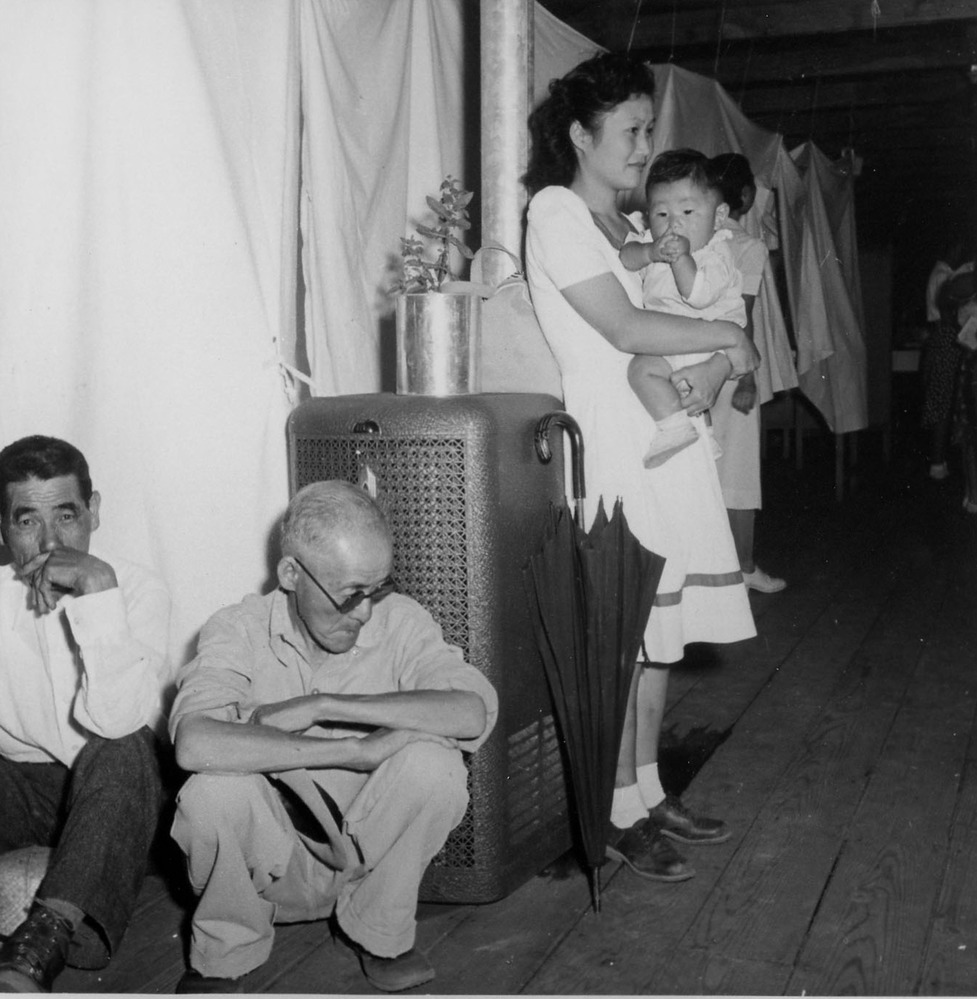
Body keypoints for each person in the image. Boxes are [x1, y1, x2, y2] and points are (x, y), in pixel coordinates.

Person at [525, 52, 758, 885]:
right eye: (629, 129)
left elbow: (689, 309)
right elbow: (624, 330)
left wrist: (719, 357)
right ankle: (616, 810)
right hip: (615, 444)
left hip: (664, 435)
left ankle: (651, 790)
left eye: (648, 127)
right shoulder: (555, 210)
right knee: (627, 640)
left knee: (657, 644)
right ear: (580, 136)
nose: (643, 144)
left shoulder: (627, 228)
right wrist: (731, 343)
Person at [168, 480, 498, 994]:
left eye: (378, 588)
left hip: (366, 856)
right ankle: (228, 949)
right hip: (270, 865)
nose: (365, 612)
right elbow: (194, 743)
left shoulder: (402, 622)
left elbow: (469, 711)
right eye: (349, 595)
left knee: (437, 767)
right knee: (211, 793)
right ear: (291, 573)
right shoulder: (237, 629)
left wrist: (324, 706)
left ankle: (381, 930)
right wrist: (353, 749)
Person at [0, 435, 171, 992]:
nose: (52, 542)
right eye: (28, 522)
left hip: (114, 798)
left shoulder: (136, 587)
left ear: (94, 512)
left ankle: (40, 947)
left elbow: (119, 721)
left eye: (67, 516)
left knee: (124, 745)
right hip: (25, 793)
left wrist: (97, 594)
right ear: (3, 528)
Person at [619, 148, 745, 467]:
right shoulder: (655, 243)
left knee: (645, 370)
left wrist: (681, 259)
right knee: (642, 371)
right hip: (671, 342)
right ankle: (690, 432)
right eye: (662, 215)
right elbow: (626, 259)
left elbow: (698, 295)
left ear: (718, 216)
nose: (674, 225)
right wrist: (649, 252)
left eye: (688, 213)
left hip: (703, 341)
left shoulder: (717, 254)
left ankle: (685, 431)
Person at [708, 152, 787, 593]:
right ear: (745, 196)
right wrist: (751, 375)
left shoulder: (697, 241)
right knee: (738, 471)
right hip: (731, 367)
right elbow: (745, 316)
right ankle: (743, 566)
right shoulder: (747, 246)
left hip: (689, 361)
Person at [922, 240, 973, 480]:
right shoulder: (942, 274)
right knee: (942, 401)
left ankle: (942, 462)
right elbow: (948, 311)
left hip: (950, 340)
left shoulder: (953, 273)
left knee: (954, 402)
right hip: (947, 339)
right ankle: (937, 462)